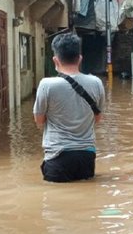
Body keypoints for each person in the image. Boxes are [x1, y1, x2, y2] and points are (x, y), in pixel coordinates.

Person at [33, 32, 105, 182]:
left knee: (55, 201)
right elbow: (98, 119)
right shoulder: (96, 82)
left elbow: (39, 121)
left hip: (57, 155)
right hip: (87, 156)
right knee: (86, 201)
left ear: (55, 60)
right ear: (80, 59)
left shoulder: (47, 85)